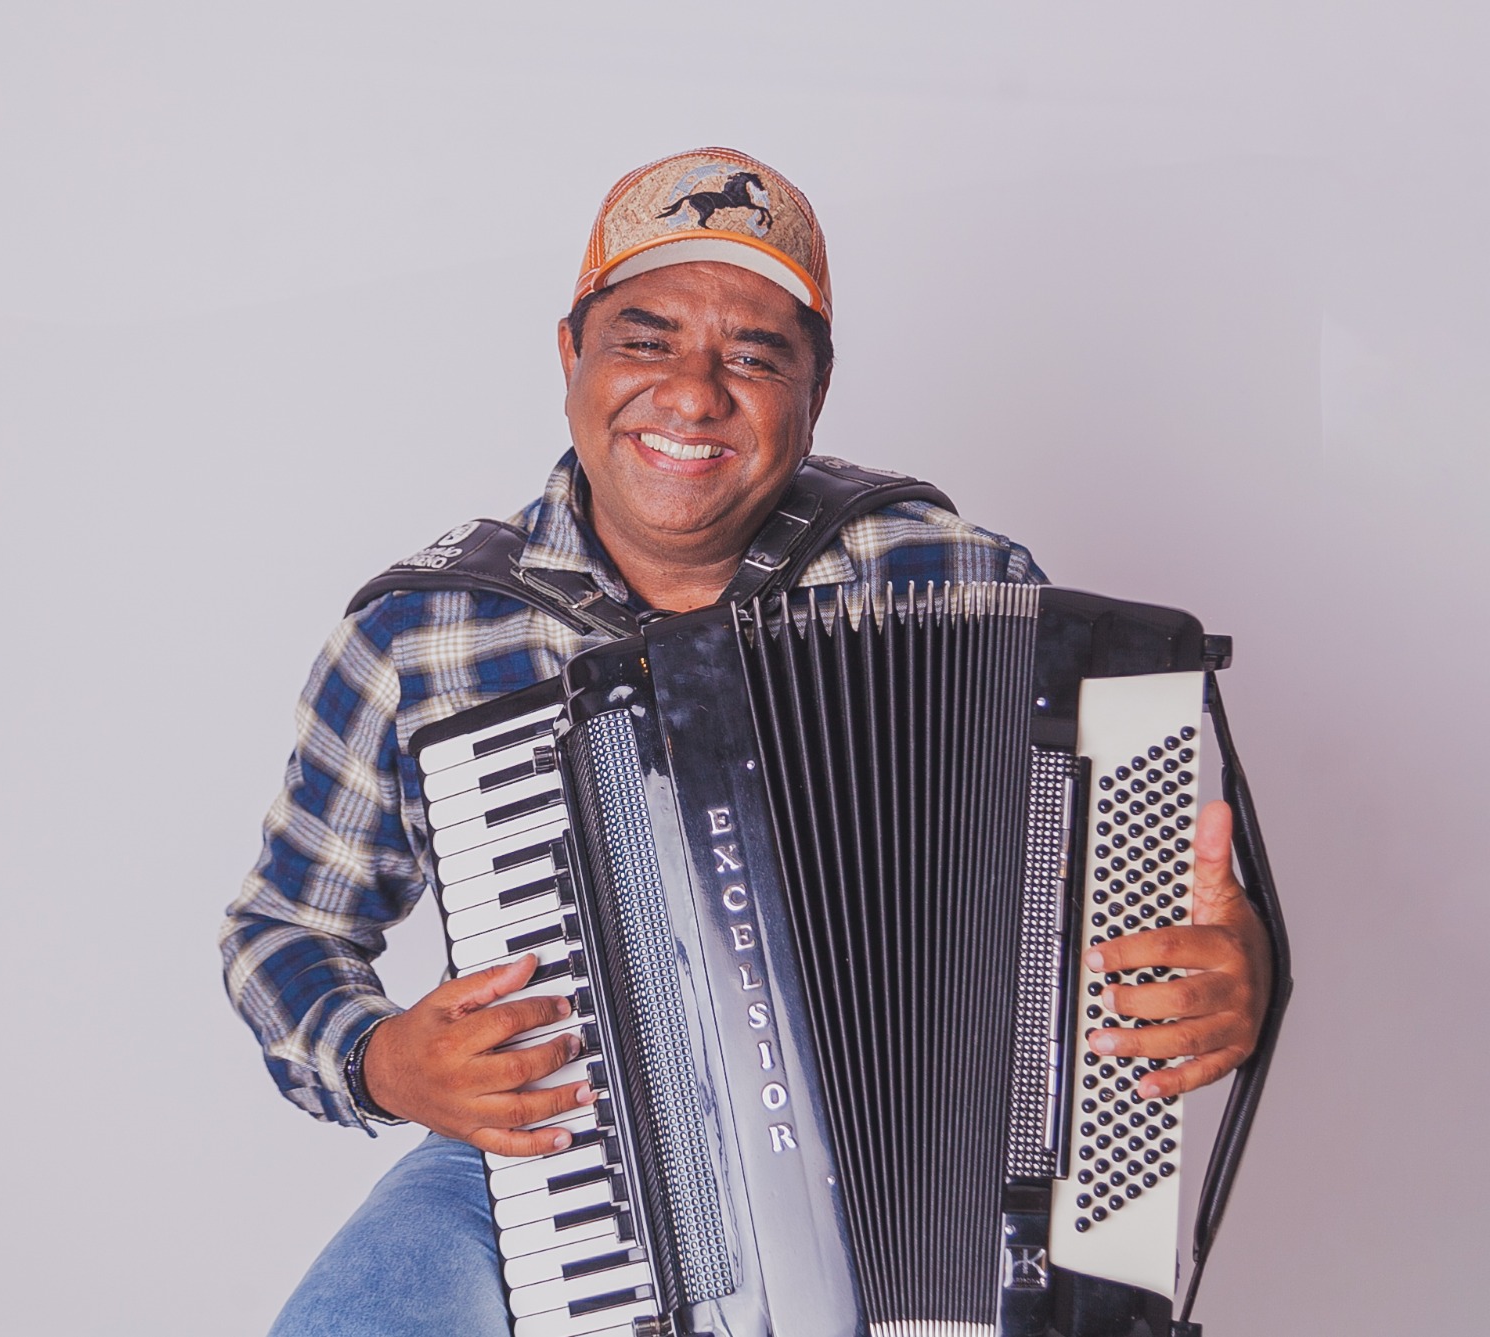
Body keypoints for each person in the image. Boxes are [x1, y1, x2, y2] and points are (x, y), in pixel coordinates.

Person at [220, 147, 1272, 1336]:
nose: (691, 394)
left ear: (814, 393)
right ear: (571, 358)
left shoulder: (948, 573)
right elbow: (285, 930)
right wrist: (380, 1059)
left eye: (755, 357)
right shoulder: (426, 630)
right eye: (645, 339)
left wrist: (1224, 973)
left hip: (929, 1162)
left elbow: (1133, 924)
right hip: (570, 1149)